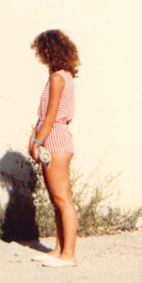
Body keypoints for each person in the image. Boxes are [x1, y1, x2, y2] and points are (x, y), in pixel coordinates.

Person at [27, 29, 80, 268]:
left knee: (62, 199)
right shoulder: (65, 76)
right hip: (55, 138)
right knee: (57, 199)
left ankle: (69, 254)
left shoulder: (58, 78)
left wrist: (37, 141)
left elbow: (50, 117)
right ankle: (59, 249)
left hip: (55, 138)